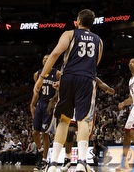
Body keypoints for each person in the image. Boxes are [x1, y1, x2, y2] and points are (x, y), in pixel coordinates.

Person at [33, 9, 103, 172]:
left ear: (78, 20)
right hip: (86, 78)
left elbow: (55, 53)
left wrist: (42, 78)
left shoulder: (69, 34)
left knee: (63, 120)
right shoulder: (99, 40)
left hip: (68, 77)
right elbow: (96, 62)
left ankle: (52, 164)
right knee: (83, 120)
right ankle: (81, 162)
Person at [60, 77, 115, 172]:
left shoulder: (93, 77)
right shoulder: (76, 74)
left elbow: (103, 86)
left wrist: (108, 89)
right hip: (74, 107)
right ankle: (67, 159)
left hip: (88, 109)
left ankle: (82, 161)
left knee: (84, 138)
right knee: (70, 132)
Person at [30, 54, 61, 170]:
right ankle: (40, 150)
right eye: (44, 59)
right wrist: (32, 104)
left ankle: (44, 159)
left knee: (45, 133)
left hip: (50, 105)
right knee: (35, 132)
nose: (45, 60)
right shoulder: (37, 74)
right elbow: (36, 91)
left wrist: (53, 101)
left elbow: (61, 89)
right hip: (40, 104)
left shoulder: (57, 73)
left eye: (48, 59)